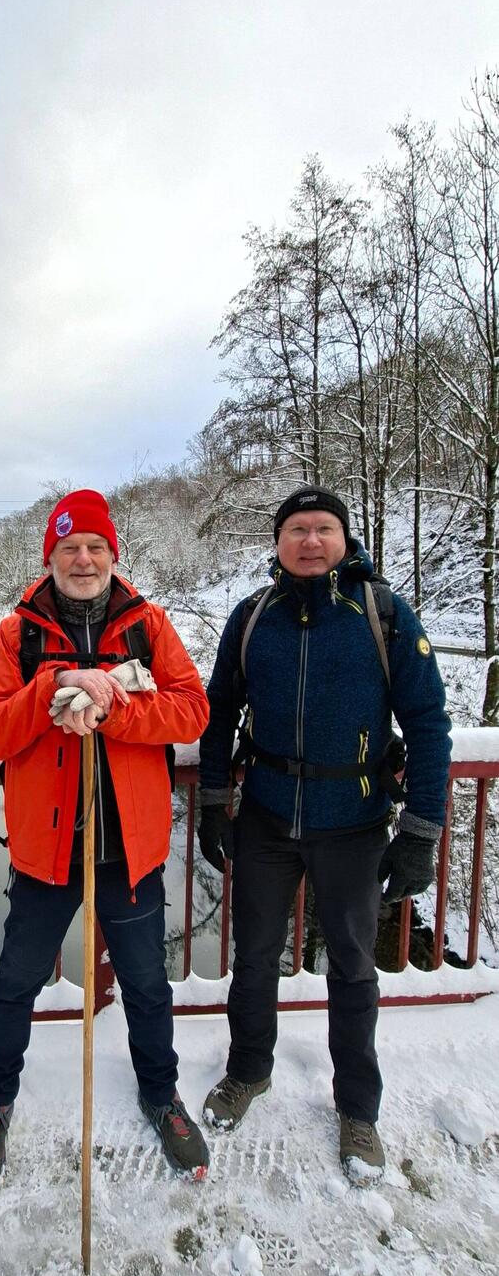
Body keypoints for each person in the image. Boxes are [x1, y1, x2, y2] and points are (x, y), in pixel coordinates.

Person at [198, 485, 451, 1184]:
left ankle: (358, 1110)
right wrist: (214, 800)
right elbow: (218, 713)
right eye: (296, 530)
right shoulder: (254, 617)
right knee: (253, 959)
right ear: (278, 544)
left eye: (323, 529)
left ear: (346, 540)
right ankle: (248, 1071)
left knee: (353, 969)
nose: (310, 541)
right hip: (268, 821)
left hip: (356, 823)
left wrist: (421, 832)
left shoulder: (383, 615)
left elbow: (429, 724)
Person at [0, 488, 211, 1185]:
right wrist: (52, 693)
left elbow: (192, 711)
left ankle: (161, 1097)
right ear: (50, 556)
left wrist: (114, 705)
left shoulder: (147, 625)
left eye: (95, 547)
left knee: (145, 983)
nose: (82, 558)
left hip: (128, 850)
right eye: (69, 547)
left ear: (112, 554)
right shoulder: (19, 634)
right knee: (16, 982)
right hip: (48, 852)